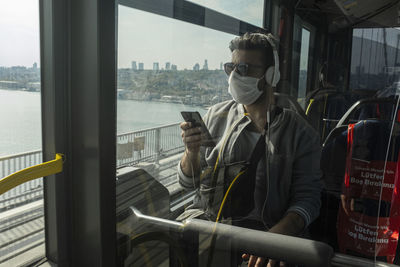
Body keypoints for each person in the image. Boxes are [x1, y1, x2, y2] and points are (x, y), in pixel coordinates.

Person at [177, 32, 322, 267]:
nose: (234, 76)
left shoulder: (300, 134)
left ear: (270, 75)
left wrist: (274, 241)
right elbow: (187, 183)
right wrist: (190, 152)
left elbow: (308, 201)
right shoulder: (215, 116)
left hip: (267, 239)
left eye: (244, 68)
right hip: (211, 234)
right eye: (230, 68)